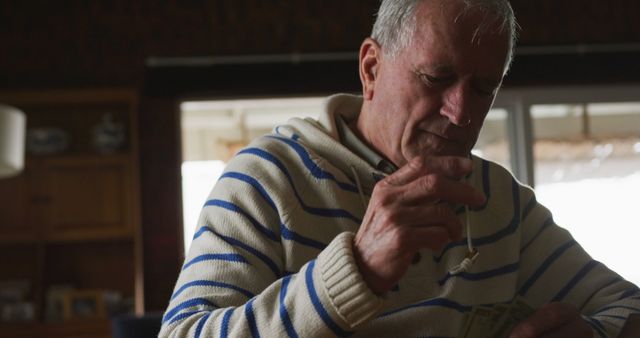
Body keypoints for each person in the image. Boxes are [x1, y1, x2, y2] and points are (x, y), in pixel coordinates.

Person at [160, 0, 640, 337]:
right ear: (371, 68)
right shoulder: (267, 181)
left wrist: (593, 334)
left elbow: (628, 309)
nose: (461, 112)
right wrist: (356, 273)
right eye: (438, 78)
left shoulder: (498, 199)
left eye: (483, 89)